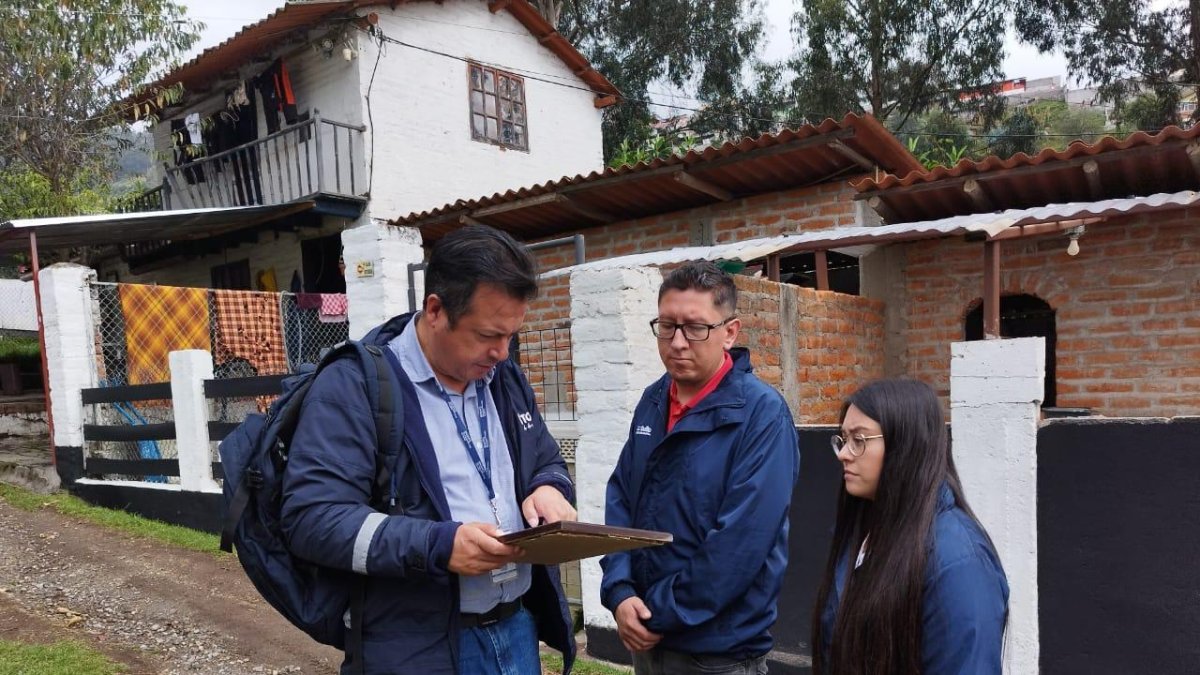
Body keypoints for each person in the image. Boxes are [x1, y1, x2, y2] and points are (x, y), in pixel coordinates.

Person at [280, 225, 578, 675]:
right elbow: (312, 519)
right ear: (435, 310)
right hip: (418, 646)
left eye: (511, 335)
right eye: (487, 335)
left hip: (516, 629)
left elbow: (544, 458)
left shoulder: (504, 378)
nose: (502, 352)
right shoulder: (356, 386)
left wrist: (549, 487)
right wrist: (438, 545)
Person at [601, 260, 800, 675]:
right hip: (646, 638)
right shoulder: (654, 401)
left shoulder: (761, 415)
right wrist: (619, 590)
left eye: (695, 328)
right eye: (666, 325)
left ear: (730, 331)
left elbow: (740, 545)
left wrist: (658, 612)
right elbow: (622, 496)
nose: (677, 342)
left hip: (716, 654)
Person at [812, 378, 1009, 675]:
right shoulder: (865, 531)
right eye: (843, 439)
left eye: (859, 440)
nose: (843, 453)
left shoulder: (957, 561)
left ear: (905, 444)